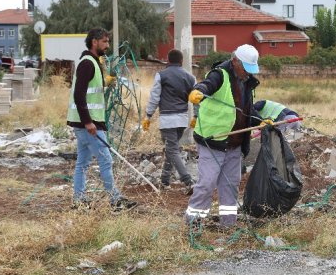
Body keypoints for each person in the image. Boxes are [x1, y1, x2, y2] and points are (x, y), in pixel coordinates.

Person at [185, 44, 265, 228]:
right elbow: (207, 85)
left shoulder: (246, 82)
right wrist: (199, 91)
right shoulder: (219, 75)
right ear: (235, 61)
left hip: (235, 143)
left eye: (251, 69)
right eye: (246, 68)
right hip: (212, 141)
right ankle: (193, 224)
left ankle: (228, 225)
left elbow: (246, 110)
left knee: (231, 185)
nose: (248, 73)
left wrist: (260, 121)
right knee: (206, 183)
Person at [67, 28, 137, 211]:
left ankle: (79, 200)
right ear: (94, 42)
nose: (107, 45)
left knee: (82, 163)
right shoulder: (87, 64)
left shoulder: (94, 63)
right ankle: (115, 201)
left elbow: (93, 89)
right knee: (106, 160)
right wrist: (88, 121)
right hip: (88, 124)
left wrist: (108, 81)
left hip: (85, 123)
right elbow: (79, 94)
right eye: (104, 42)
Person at [142, 49, 197, 194]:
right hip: (182, 120)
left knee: (172, 149)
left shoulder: (162, 75)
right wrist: (196, 117)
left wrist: (148, 115)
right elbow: (197, 99)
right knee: (171, 149)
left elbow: (155, 97)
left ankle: (188, 181)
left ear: (168, 60)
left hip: (167, 119)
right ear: (181, 61)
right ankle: (164, 180)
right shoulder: (190, 77)